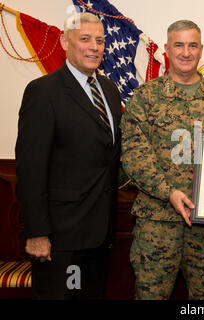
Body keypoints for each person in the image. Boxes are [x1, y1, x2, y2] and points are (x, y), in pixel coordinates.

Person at [120, 20, 204, 300]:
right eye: (179, 45)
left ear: (201, 50)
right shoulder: (146, 98)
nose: (186, 52)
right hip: (158, 223)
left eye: (192, 45)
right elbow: (134, 155)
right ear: (166, 49)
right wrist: (170, 193)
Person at [15, 12, 122, 300]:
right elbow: (30, 168)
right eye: (85, 39)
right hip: (61, 239)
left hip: (101, 235)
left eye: (100, 40)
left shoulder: (110, 92)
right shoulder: (43, 92)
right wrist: (36, 233)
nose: (94, 47)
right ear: (64, 41)